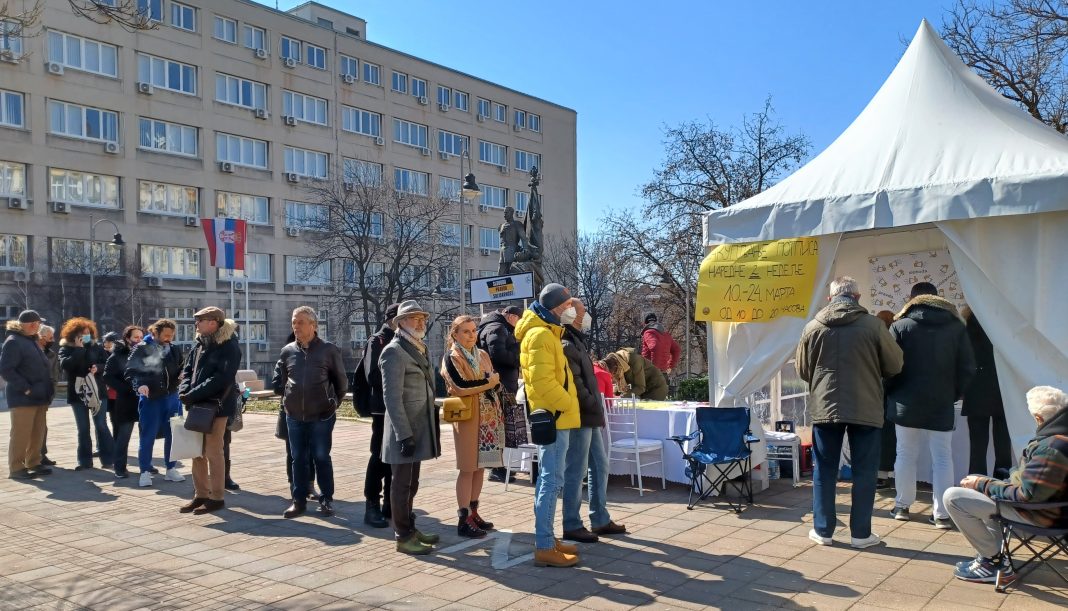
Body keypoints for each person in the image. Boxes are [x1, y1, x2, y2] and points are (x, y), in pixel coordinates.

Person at [796, 276, 903, 549]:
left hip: (825, 406)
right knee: (865, 471)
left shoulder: (813, 327)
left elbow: (803, 370)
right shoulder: (874, 326)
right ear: (856, 297)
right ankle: (860, 534)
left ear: (830, 299)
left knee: (824, 470)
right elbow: (894, 364)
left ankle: (823, 530)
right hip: (866, 405)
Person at [944, 386, 1068, 583]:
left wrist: (984, 484)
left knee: (953, 497)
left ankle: (993, 562)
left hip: (1039, 514)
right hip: (1051, 508)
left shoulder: (1052, 447)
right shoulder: (1058, 439)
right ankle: (992, 559)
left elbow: (1026, 495)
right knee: (979, 485)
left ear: (1038, 418)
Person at [887, 282, 976, 528]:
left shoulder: (900, 325)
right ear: (938, 298)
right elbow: (967, 367)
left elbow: (890, 368)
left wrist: (892, 392)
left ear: (912, 299)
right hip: (942, 402)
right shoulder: (956, 326)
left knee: (905, 454)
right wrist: (954, 394)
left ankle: (902, 506)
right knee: (943, 458)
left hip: (906, 402)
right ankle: (942, 514)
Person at [515, 283, 581, 568]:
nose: (571, 310)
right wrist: (567, 403)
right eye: (568, 306)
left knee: (551, 481)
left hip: (556, 417)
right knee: (550, 482)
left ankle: (547, 538)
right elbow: (542, 382)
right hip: (554, 417)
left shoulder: (547, 332)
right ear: (556, 307)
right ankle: (544, 544)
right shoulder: (541, 335)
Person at [561, 298, 626, 543]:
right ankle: (572, 523)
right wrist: (592, 404)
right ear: (571, 317)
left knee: (599, 465)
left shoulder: (576, 341)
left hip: (588, 413)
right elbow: (576, 385)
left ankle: (599, 518)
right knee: (576, 470)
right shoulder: (567, 343)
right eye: (581, 312)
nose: (585, 316)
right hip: (580, 414)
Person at [273, 307, 347, 518]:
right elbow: (282, 380)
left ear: (314, 326)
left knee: (321, 456)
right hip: (294, 415)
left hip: (321, 416)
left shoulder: (328, 350)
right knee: (297, 458)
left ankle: (326, 499)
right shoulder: (287, 351)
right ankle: (298, 501)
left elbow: (341, 383)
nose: (296, 326)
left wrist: (333, 404)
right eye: (294, 322)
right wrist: (288, 399)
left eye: (301, 322)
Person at [380, 300, 441, 555]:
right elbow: (391, 398)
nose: (420, 322)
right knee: (401, 484)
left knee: (411, 483)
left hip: (418, 425)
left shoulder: (416, 347)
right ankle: (402, 535)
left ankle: (410, 528)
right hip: (402, 430)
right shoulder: (394, 351)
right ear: (400, 322)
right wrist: (404, 435)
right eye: (414, 318)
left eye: (422, 318)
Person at [440, 314, 504, 538]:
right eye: (465, 331)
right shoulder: (452, 356)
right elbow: (459, 386)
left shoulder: (483, 354)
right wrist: (489, 383)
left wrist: (491, 384)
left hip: (488, 416)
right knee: (467, 467)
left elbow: (495, 381)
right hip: (467, 417)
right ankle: (463, 518)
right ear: (454, 334)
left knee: (480, 466)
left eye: (474, 330)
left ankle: (474, 511)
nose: (471, 335)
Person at [178, 307, 241, 515]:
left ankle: (217, 498)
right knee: (196, 452)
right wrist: (184, 389)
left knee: (213, 451)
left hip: (217, 406)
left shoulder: (229, 345)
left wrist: (192, 394)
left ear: (213, 322)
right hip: (196, 403)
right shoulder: (199, 343)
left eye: (200, 321)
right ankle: (201, 494)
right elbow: (187, 370)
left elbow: (221, 379)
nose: (196, 325)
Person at [353, 303, 399, 528]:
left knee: (394, 459)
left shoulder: (405, 341)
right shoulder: (378, 340)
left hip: (400, 408)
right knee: (379, 456)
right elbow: (372, 375)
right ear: (393, 320)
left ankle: (391, 503)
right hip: (383, 408)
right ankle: (371, 503)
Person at [127, 319, 184, 487]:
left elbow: (182, 367)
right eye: (166, 335)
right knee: (147, 436)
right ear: (155, 333)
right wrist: (140, 385)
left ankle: (171, 469)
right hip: (151, 399)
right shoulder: (142, 348)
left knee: (173, 435)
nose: (169, 338)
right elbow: (130, 371)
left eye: (171, 335)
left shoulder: (174, 349)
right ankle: (145, 471)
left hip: (173, 398)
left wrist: (182, 375)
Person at [0, 310, 55, 479]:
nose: (39, 326)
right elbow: (6, 369)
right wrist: (26, 388)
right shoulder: (14, 341)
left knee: (37, 432)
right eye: (38, 323)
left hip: (39, 396)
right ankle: (16, 468)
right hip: (23, 397)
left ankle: (34, 462)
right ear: (32, 324)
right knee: (21, 433)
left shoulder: (30, 341)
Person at [961, 306, 1012, 478]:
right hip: (1002, 389)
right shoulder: (1004, 327)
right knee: (1003, 444)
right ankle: (1003, 480)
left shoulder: (967, 329)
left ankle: (976, 481)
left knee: (977, 445)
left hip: (976, 390)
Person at [477, 304, 526, 483]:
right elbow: (498, 355)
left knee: (499, 426)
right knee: (501, 426)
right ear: (511, 316)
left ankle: (498, 466)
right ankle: (497, 468)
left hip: (499, 385)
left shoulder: (494, 326)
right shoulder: (497, 328)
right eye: (518, 320)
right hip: (501, 386)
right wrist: (518, 350)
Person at [58, 317, 115, 470]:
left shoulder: (97, 347)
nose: (86, 336)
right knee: (83, 428)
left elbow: (107, 364)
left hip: (98, 392)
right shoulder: (65, 348)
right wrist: (78, 349)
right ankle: (84, 461)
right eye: (83, 334)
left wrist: (98, 367)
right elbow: (66, 366)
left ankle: (108, 458)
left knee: (101, 425)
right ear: (74, 335)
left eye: (88, 333)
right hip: (78, 394)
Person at [103, 325, 143, 479]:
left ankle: (146, 465)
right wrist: (125, 388)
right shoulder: (118, 355)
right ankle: (120, 467)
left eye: (141, 337)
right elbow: (107, 376)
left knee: (145, 435)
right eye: (135, 337)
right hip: (126, 401)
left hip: (143, 401)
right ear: (127, 338)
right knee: (123, 436)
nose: (138, 340)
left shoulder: (145, 353)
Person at [37, 324, 58, 466]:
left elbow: (55, 376)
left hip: (45, 395)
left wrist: (51, 394)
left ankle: (41, 455)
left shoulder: (52, 354)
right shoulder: (31, 351)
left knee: (42, 427)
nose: (53, 340)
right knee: (30, 428)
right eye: (50, 338)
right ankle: (29, 456)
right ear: (41, 337)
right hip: (31, 394)